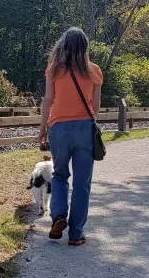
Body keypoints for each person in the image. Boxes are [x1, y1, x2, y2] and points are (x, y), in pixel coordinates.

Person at [37, 27, 103, 246]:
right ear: (85, 47)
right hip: (85, 129)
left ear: (62, 45)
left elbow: (48, 100)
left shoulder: (54, 70)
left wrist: (42, 128)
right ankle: (75, 234)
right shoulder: (94, 71)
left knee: (59, 175)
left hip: (59, 129)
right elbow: (95, 106)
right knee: (82, 183)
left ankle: (58, 216)